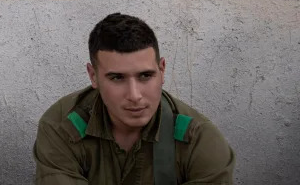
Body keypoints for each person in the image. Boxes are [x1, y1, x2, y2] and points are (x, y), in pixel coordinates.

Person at [33, 13, 235, 184]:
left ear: (162, 70)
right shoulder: (61, 127)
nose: (134, 95)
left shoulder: (199, 140)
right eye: (117, 78)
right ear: (93, 76)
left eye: (145, 76)